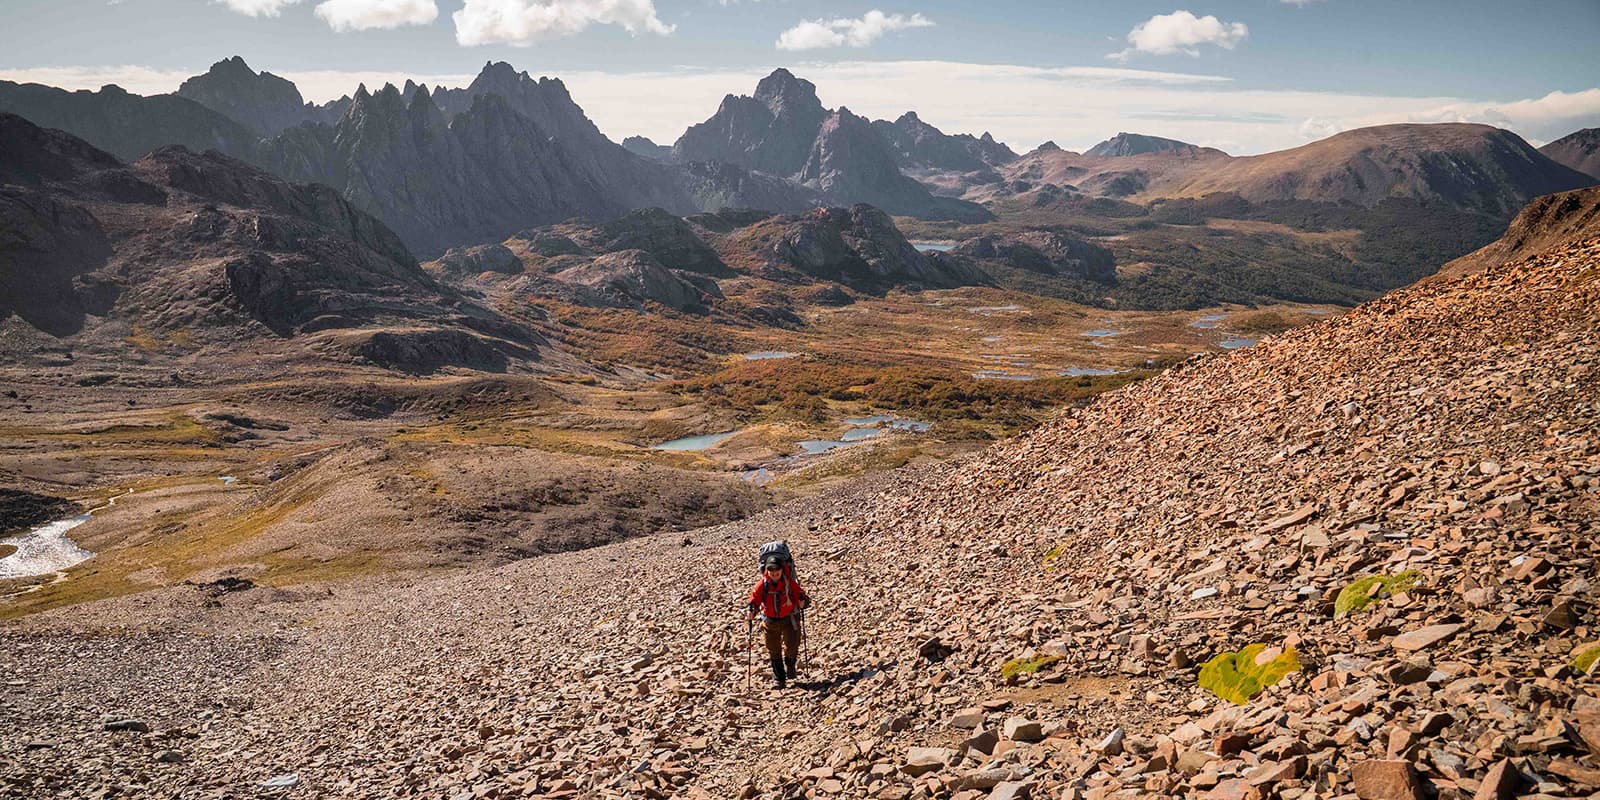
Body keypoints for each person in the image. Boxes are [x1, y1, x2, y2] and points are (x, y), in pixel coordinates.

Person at [747, 555, 810, 689]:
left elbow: (801, 594)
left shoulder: (789, 582)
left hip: (789, 619)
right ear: (767, 570)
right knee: (773, 650)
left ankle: (790, 664)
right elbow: (754, 599)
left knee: (792, 646)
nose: (775, 573)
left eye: (777, 570)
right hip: (770, 622)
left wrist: (802, 601)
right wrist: (752, 610)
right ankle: (779, 679)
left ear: (782, 570)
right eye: (771, 570)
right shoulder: (762, 584)